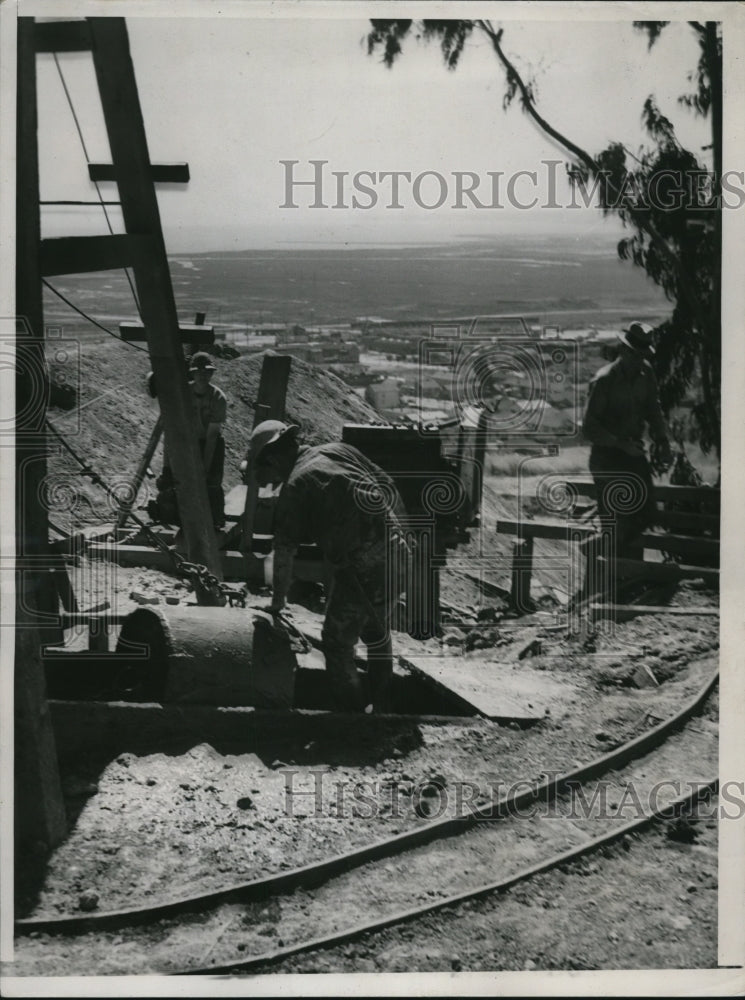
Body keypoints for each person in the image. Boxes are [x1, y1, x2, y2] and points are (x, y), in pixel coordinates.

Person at [247, 420, 409, 713]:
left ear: (273, 458)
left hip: (364, 567)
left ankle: (351, 717)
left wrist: (277, 603)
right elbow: (388, 485)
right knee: (376, 631)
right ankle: (383, 710)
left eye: (267, 474)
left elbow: (284, 554)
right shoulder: (338, 450)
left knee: (335, 643)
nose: (270, 482)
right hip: (397, 550)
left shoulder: (296, 485)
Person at [582, 322, 672, 560]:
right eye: (632, 353)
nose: (636, 359)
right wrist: (620, 444)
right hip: (607, 458)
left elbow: (653, 408)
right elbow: (589, 428)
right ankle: (608, 571)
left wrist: (662, 440)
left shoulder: (646, 374)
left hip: (633, 454)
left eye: (641, 354)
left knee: (647, 512)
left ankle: (613, 560)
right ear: (623, 350)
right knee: (618, 518)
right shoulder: (604, 380)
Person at [149, 351, 227, 529]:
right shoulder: (183, 394)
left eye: (207, 372)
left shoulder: (218, 398)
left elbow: (212, 435)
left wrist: (205, 468)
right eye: (199, 372)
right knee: (178, 481)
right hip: (187, 442)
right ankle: (179, 517)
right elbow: (171, 432)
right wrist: (167, 466)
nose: (203, 376)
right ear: (192, 373)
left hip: (210, 443)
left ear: (212, 374)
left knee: (211, 483)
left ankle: (215, 519)